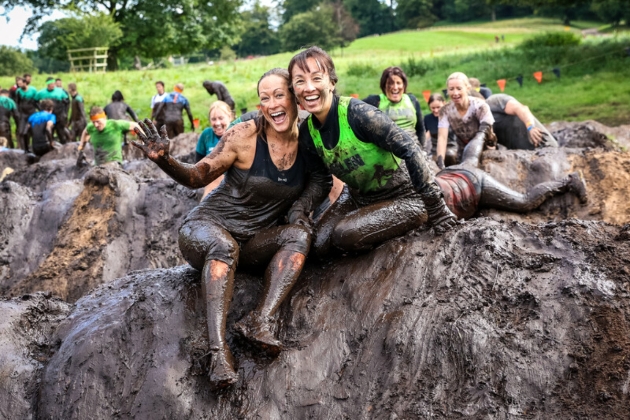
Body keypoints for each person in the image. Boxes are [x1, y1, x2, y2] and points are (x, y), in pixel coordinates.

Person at [132, 68, 331, 388]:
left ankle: (258, 320)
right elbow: (198, 176)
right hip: (207, 228)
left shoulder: (309, 137)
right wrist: (164, 160)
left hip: (254, 240)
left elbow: (321, 179)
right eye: (264, 98)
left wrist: (299, 208)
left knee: (299, 235)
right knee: (224, 247)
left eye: (279, 95)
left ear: (296, 99)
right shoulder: (244, 134)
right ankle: (217, 352)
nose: (272, 104)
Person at [288, 46, 456, 258]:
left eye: (316, 78)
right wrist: (300, 208)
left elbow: (410, 148)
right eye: (300, 81)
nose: (308, 88)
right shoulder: (307, 133)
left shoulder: (359, 114)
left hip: (405, 195)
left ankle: (419, 212)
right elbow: (321, 180)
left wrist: (436, 207)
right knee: (319, 245)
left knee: (345, 235)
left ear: (331, 82)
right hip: (358, 196)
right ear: (294, 89)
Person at [433, 126, 587, 220]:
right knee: (470, 160)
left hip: (472, 184)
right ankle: (482, 133)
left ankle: (568, 181)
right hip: (449, 174)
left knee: (523, 201)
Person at [436, 72, 496, 168]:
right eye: (451, 89)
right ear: (447, 91)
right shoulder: (445, 110)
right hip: (463, 150)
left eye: (459, 89)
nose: (455, 93)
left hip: (485, 147)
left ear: (467, 88)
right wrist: (440, 162)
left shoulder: (480, 106)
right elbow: (442, 138)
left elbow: (486, 133)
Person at [362, 66, 426, 147]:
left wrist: (422, 149)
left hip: (413, 147)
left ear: (404, 85)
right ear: (384, 86)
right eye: (390, 83)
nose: (395, 87)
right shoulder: (375, 101)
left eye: (398, 83)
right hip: (389, 149)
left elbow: (420, 129)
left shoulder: (412, 100)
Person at [487, 93, 558, 150]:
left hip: (545, 146)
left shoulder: (493, 101)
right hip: (523, 154)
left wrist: (530, 127)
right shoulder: (480, 121)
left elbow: (521, 108)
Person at [196, 101, 234, 198]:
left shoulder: (237, 133)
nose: (217, 123)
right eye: (213, 119)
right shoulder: (206, 135)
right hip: (212, 184)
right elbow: (198, 163)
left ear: (230, 117)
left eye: (221, 118)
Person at [35, 77, 71, 144]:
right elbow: (35, 101)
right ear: (47, 85)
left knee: (61, 133)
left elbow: (67, 101)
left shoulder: (60, 91)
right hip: (48, 116)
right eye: (51, 84)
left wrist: (65, 112)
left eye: (53, 83)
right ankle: (50, 147)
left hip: (59, 116)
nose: (53, 85)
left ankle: (64, 146)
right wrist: (40, 109)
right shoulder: (41, 93)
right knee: (49, 133)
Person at [16, 77, 39, 152]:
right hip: (23, 114)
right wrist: (18, 113)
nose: (19, 85)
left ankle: (34, 147)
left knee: (33, 131)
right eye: (18, 84)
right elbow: (18, 103)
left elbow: (37, 102)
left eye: (20, 84)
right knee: (22, 132)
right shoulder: (18, 91)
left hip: (32, 112)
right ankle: (24, 149)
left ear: (25, 83)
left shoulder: (33, 90)